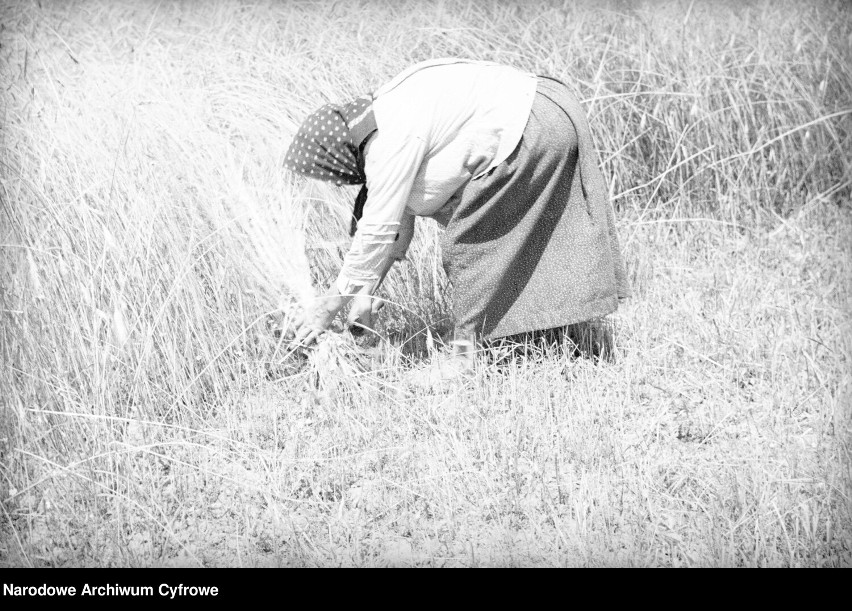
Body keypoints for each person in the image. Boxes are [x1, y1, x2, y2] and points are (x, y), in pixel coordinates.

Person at [285, 58, 629, 376]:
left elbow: (378, 229)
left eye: (330, 172)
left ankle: (464, 360)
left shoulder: (389, 142)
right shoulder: (384, 113)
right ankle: (557, 333)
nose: (338, 179)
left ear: (336, 156)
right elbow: (396, 220)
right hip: (551, 107)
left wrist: (327, 307)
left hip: (529, 126)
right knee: (530, 237)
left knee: (470, 246)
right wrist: (366, 294)